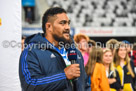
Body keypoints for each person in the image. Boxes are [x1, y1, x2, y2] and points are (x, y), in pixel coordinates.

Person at [19, 7, 90, 91]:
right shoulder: (31, 52)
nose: (67, 27)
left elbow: (85, 84)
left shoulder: (75, 53)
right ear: (49, 26)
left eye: (68, 23)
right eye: (62, 23)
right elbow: (29, 85)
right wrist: (64, 75)